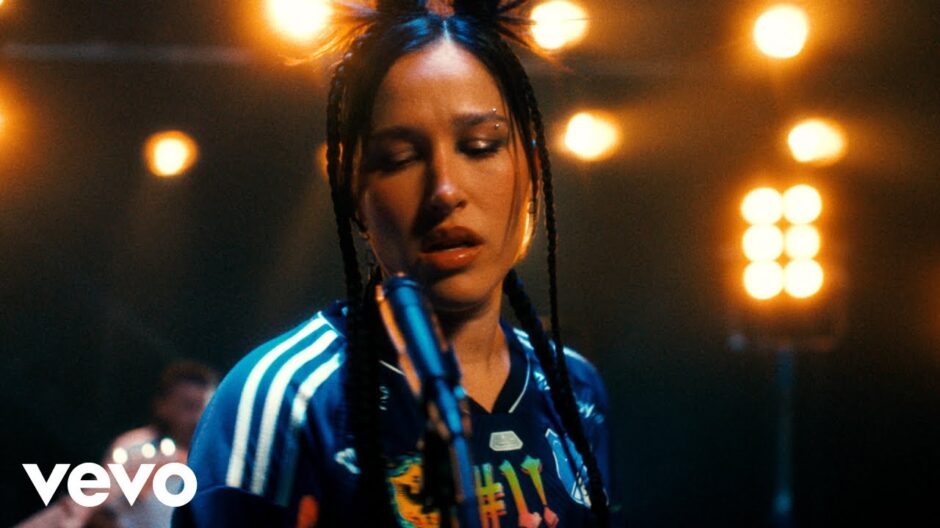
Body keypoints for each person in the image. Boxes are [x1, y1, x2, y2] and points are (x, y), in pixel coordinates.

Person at [175, 1, 621, 526]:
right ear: (355, 194)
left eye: (480, 146)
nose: (445, 190)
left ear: (532, 172)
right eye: (400, 159)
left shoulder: (574, 387)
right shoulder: (286, 398)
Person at [16, 360, 217, 528]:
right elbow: (94, 510)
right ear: (162, 406)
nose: (198, 417)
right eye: (189, 406)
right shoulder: (136, 447)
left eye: (205, 407)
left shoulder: (216, 464)